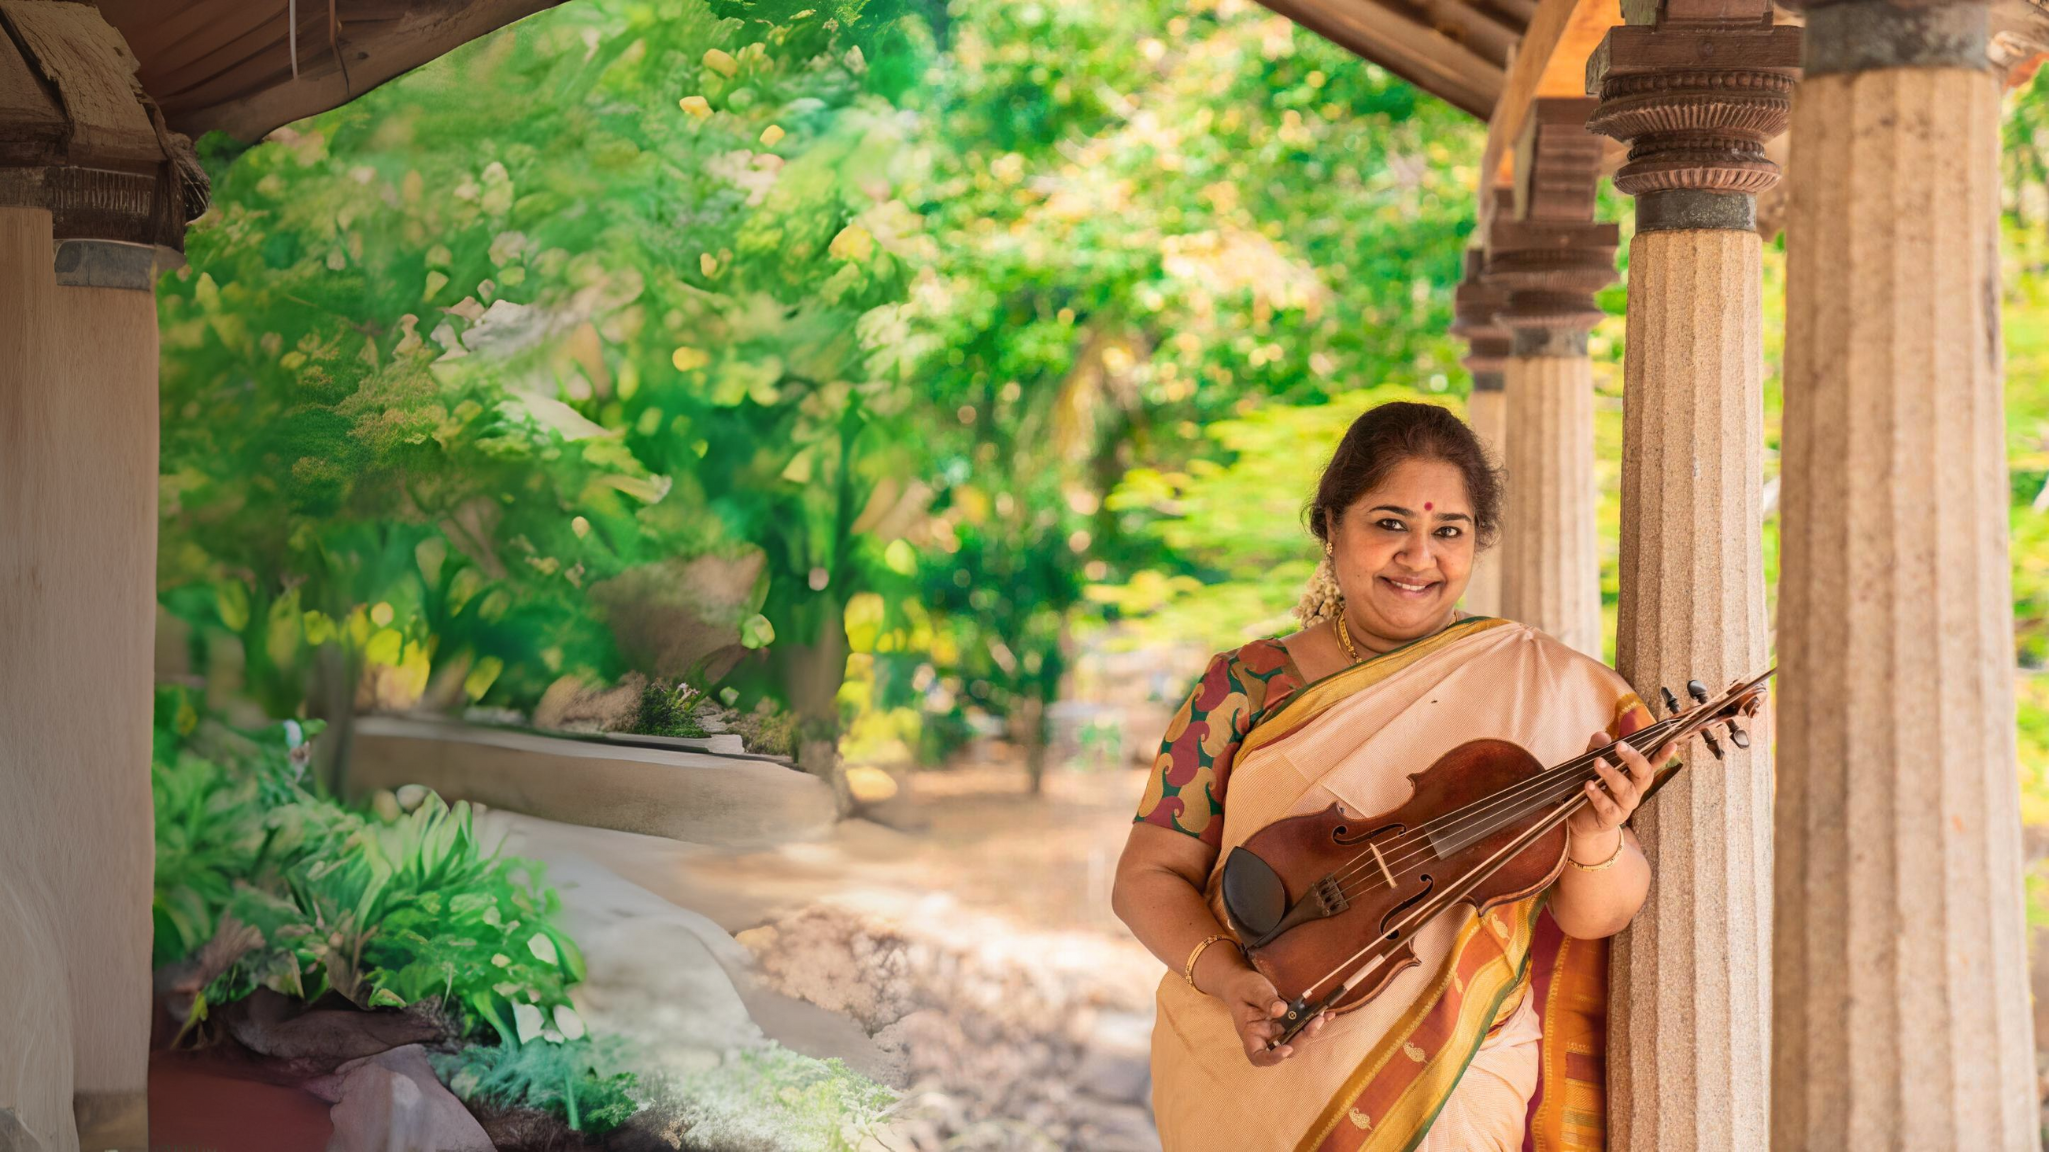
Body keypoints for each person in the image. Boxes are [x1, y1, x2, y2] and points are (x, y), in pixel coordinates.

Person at [1111, 401, 1674, 1152]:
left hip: (1452, 1076)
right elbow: (1147, 873)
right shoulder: (1245, 687)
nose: (1419, 557)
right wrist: (1226, 979)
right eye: (1388, 524)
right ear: (1330, 527)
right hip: (1251, 1062)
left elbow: (1594, 916)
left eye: (1448, 532)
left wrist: (1596, 833)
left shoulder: (1546, 689)